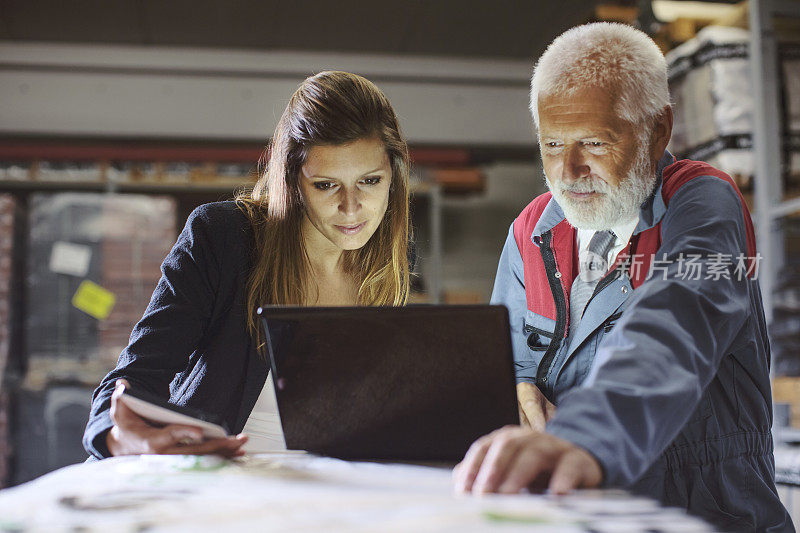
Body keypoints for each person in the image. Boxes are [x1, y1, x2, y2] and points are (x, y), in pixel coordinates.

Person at [454, 22, 793, 532]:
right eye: (551, 144)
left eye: (593, 142)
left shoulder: (702, 204)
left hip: (705, 518)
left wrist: (585, 436)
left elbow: (674, 326)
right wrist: (519, 385)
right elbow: (506, 358)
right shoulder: (532, 231)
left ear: (657, 130)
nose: (568, 170)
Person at [83, 71, 412, 459]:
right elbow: (135, 377)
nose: (351, 207)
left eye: (370, 181)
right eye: (326, 185)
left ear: (393, 175)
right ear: (292, 181)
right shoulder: (225, 238)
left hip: (323, 498)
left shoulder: (382, 265)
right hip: (217, 490)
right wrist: (121, 437)